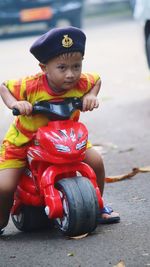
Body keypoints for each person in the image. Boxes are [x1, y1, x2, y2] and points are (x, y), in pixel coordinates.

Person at [0, 26, 120, 235]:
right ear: (44, 67)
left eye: (77, 66)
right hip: (25, 142)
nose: (71, 74)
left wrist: (90, 96)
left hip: (66, 138)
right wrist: (16, 104)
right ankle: (1, 219)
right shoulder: (30, 85)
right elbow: (4, 87)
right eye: (62, 68)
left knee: (96, 161)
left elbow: (96, 80)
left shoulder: (82, 82)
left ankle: (98, 206)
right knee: (5, 186)